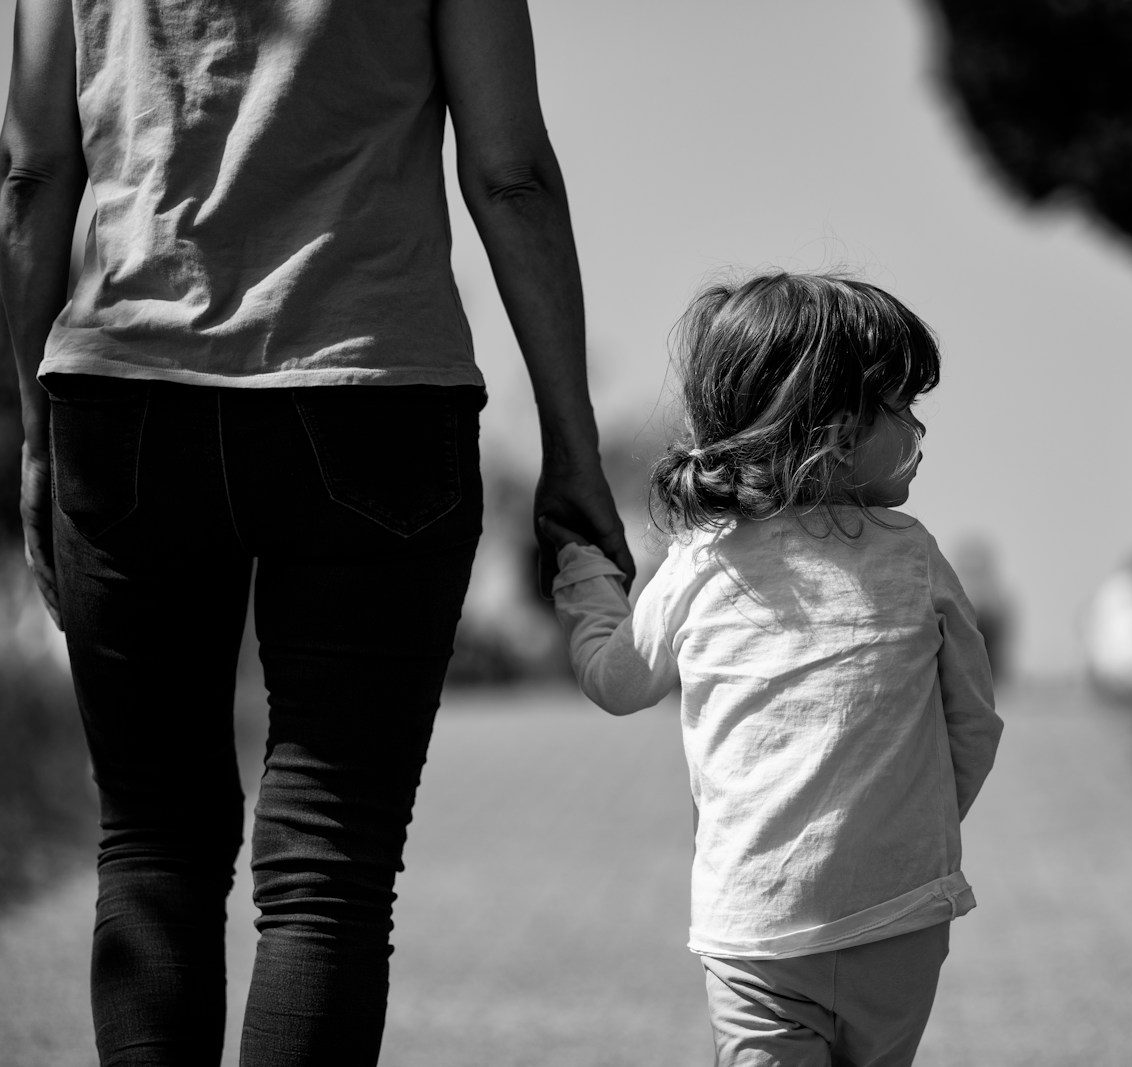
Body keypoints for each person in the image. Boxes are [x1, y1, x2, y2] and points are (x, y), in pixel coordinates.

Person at [1, 0, 633, 1062]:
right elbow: (509, 170)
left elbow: (30, 171)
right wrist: (571, 440)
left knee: (155, 842)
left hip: (126, 401)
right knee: (327, 868)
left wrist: (30, 428)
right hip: (374, 397)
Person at [542, 271, 1004, 1067]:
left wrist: (589, 586)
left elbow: (616, 685)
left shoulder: (702, 564)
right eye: (903, 408)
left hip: (755, 934)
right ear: (834, 431)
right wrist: (904, 823)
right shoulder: (914, 557)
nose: (920, 432)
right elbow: (975, 721)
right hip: (899, 923)